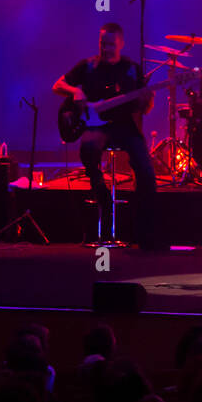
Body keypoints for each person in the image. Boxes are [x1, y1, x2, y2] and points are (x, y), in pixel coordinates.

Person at [52, 22, 159, 248]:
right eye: (103, 43)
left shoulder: (131, 69)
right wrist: (76, 90)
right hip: (96, 127)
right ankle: (101, 193)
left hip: (126, 126)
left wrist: (146, 100)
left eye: (111, 44)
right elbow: (57, 85)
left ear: (121, 44)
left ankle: (145, 234)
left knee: (146, 171)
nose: (106, 48)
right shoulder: (88, 66)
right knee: (88, 149)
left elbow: (144, 108)